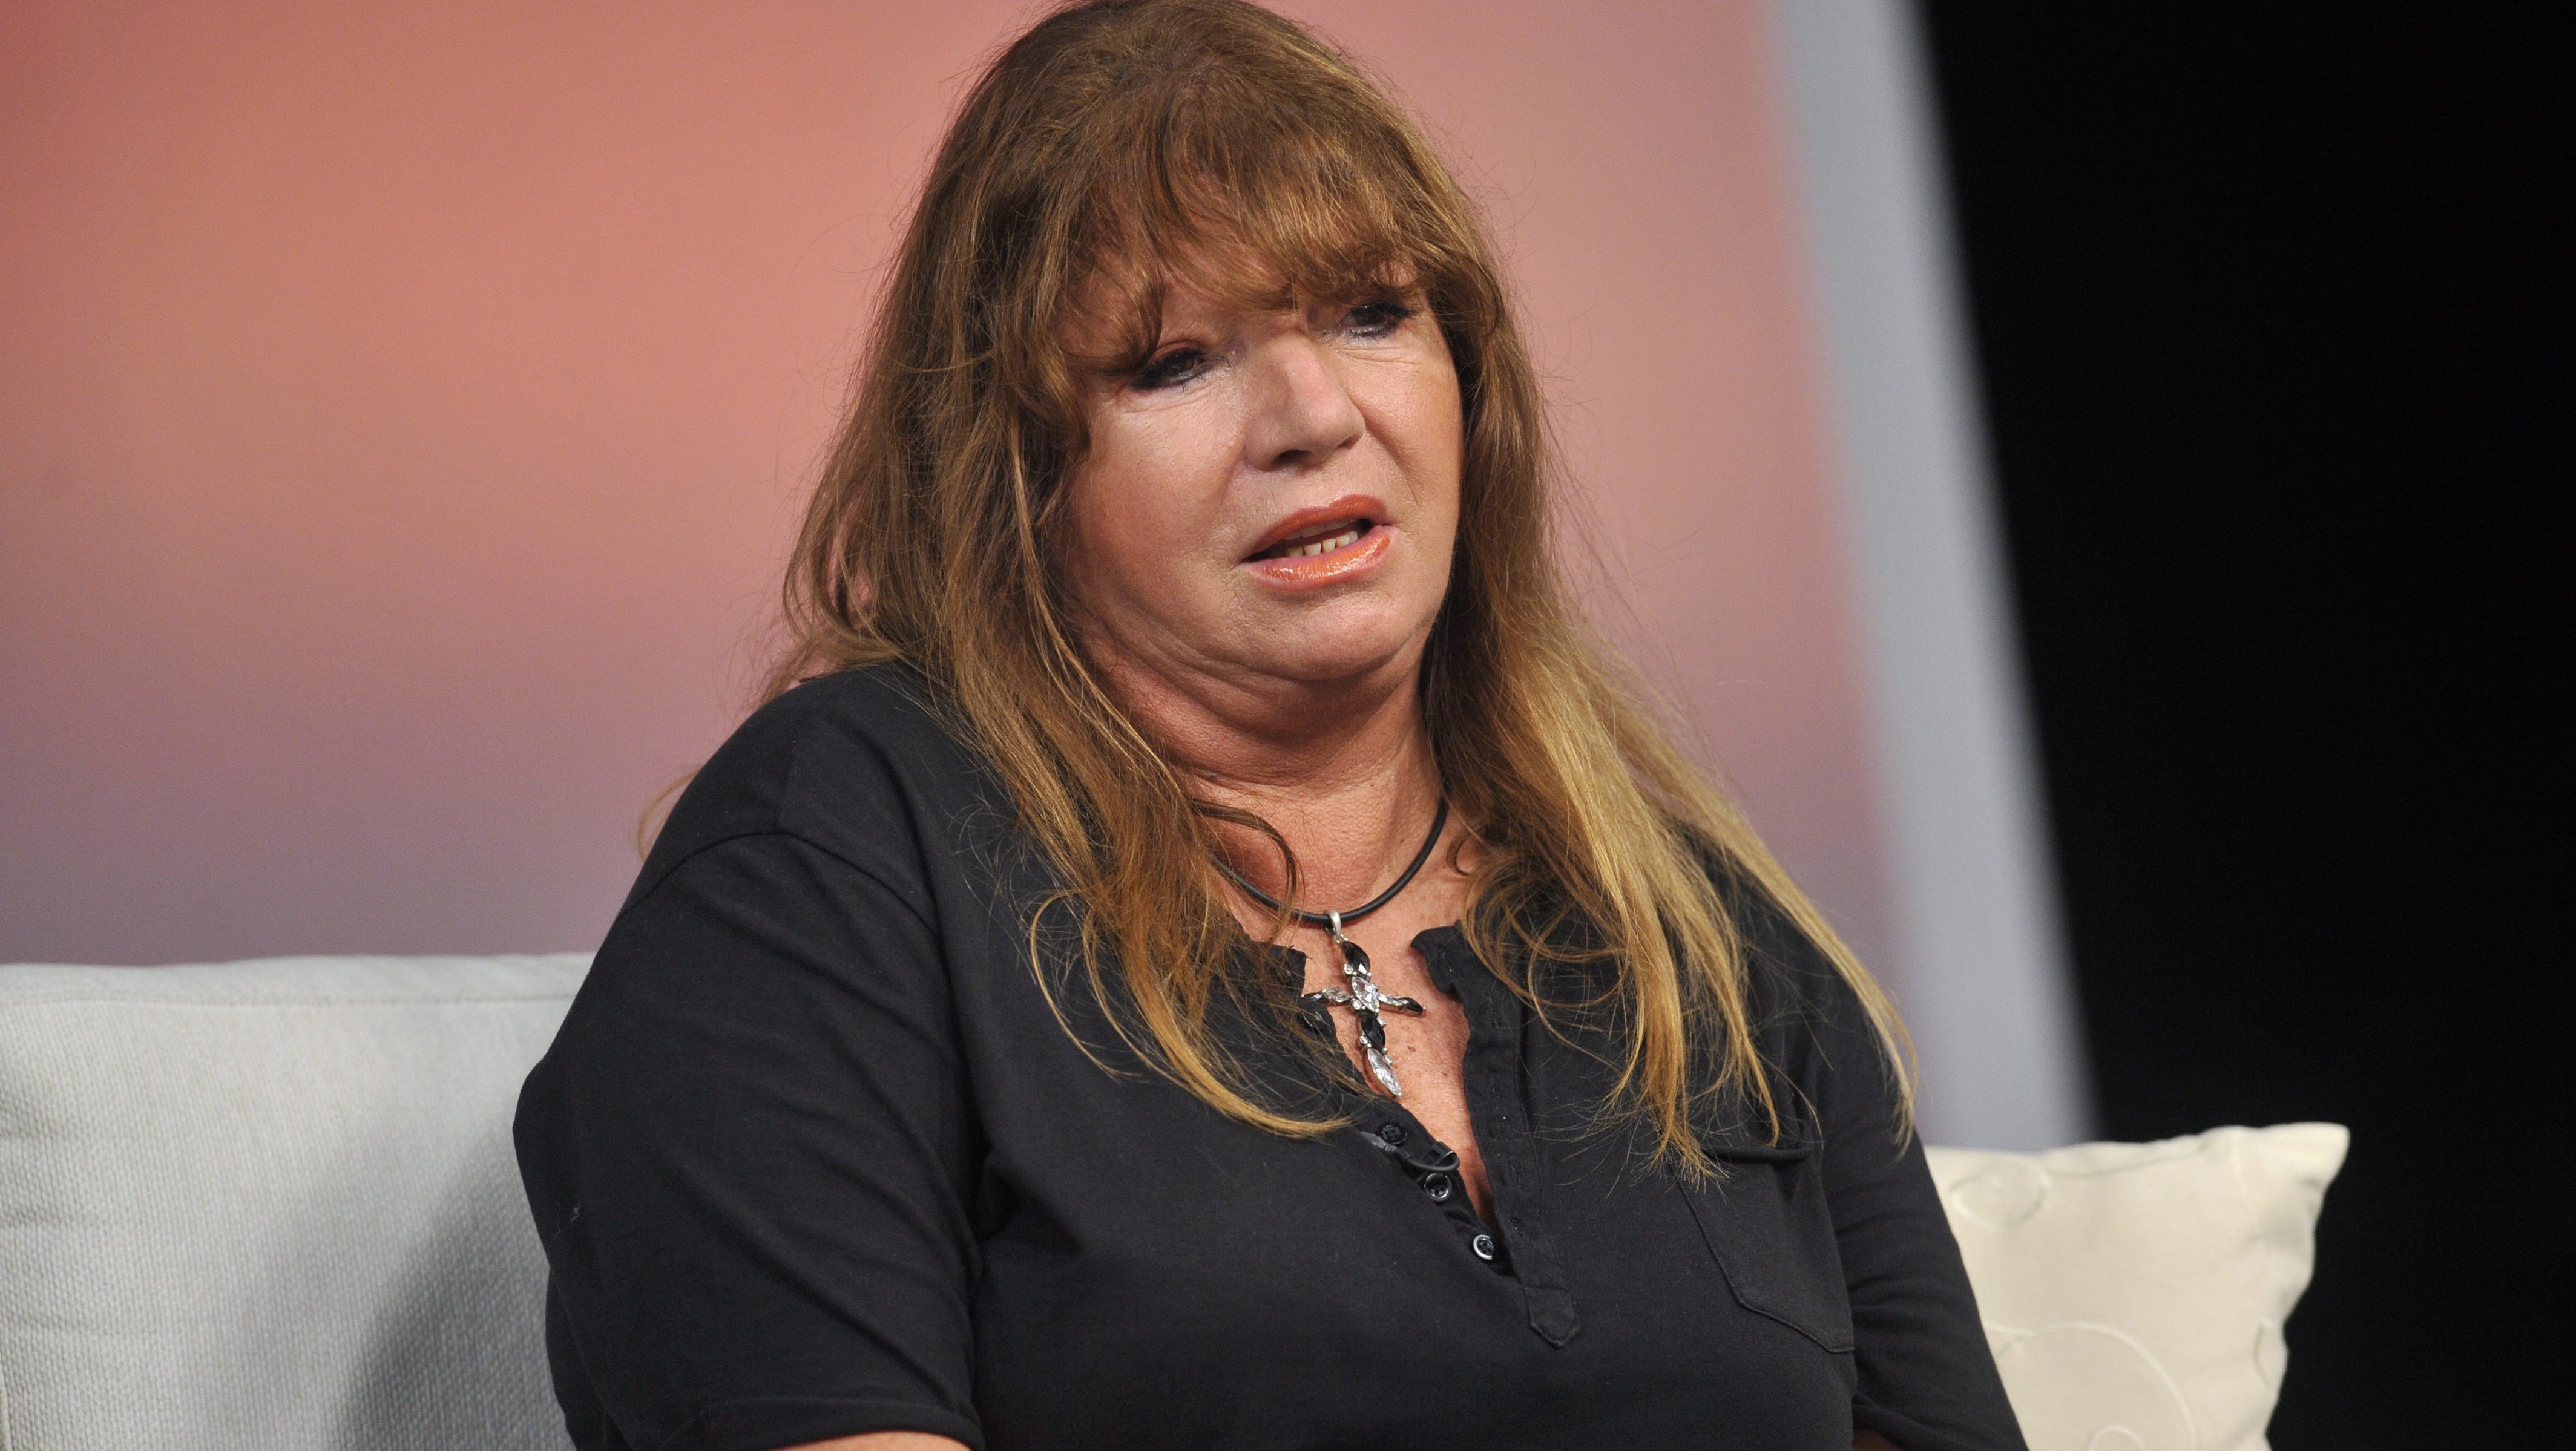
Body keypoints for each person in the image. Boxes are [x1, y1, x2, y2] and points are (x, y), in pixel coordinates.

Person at [513, 2, 2026, 1447]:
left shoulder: (1693, 926)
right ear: (1017, 475)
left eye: (1373, 314)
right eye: (1173, 362)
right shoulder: (830, 855)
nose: (1313, 416)